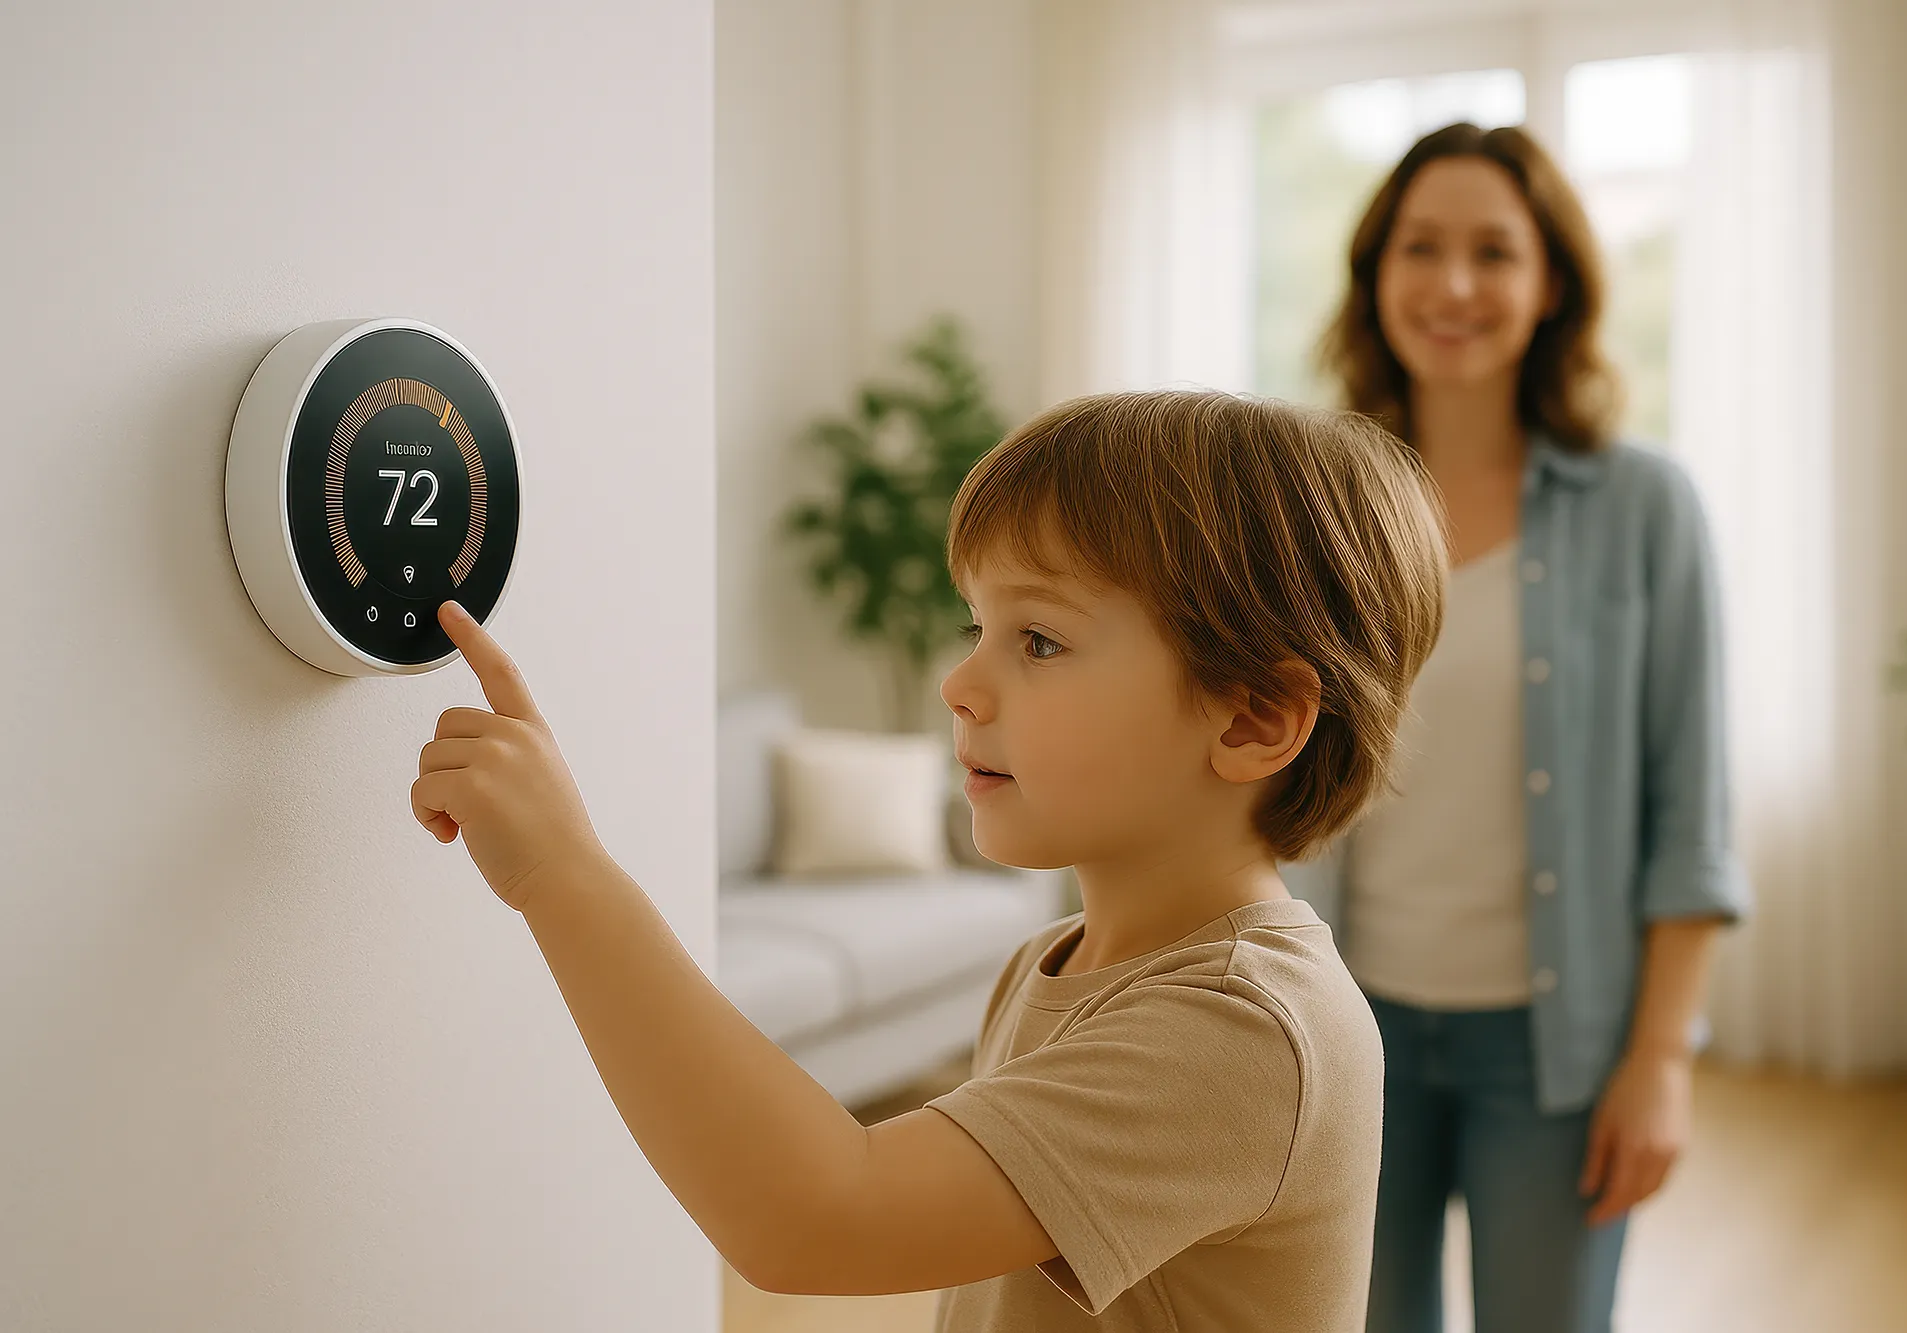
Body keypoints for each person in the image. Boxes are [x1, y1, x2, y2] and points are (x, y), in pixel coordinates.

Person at [408, 389, 1450, 1331]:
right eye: (975, 625)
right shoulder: (1054, 963)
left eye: (1038, 640)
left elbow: (816, 1217)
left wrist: (564, 875)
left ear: (1254, 717)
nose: (959, 681)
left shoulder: (1246, 1028)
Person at [1315, 121, 1750, 1333]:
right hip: (1340, 1028)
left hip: (1555, 1050)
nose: (1452, 285)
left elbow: (1690, 808)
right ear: (1374, 273)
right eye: (1419, 247)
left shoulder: (1643, 505)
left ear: (1550, 281)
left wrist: (1659, 1059)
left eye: (1493, 252)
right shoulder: (1316, 500)